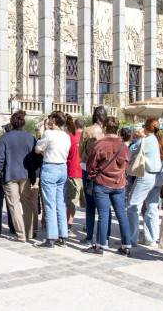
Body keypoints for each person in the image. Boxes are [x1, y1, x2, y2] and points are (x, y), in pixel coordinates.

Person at [83, 117, 131, 256]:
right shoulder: (123, 145)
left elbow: (90, 165)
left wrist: (93, 175)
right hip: (118, 182)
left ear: (104, 128)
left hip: (102, 182)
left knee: (103, 214)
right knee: (122, 214)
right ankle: (126, 245)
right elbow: (126, 164)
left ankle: (100, 245)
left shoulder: (100, 144)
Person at [0, 110, 36, 242]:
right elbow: (36, 157)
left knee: (13, 204)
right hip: (26, 173)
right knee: (27, 203)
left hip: (10, 173)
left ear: (11, 123)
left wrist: (0, 172)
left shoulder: (5, 138)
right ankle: (29, 232)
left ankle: (21, 233)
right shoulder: (30, 137)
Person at [34, 111, 71, 249]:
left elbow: (38, 149)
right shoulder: (66, 136)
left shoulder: (49, 134)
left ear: (53, 120)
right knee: (61, 203)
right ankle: (63, 236)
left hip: (50, 167)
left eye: (50, 118)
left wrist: (44, 149)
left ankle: (51, 237)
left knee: (50, 204)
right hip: (62, 167)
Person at [127, 118, 163, 247]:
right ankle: (151, 238)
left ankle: (131, 238)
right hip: (158, 176)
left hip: (146, 176)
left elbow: (131, 157)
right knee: (152, 207)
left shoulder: (144, 142)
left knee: (133, 206)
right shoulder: (160, 141)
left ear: (146, 127)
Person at [79, 106, 110, 246]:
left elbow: (81, 152)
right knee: (105, 205)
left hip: (89, 168)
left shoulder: (87, 130)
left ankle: (90, 235)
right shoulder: (108, 132)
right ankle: (106, 235)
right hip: (106, 169)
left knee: (90, 204)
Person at [66, 117, 86, 233]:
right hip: (86, 173)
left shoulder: (70, 137)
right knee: (88, 202)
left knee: (71, 202)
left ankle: (69, 225)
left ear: (75, 125)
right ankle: (88, 224)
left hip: (73, 172)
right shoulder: (87, 137)